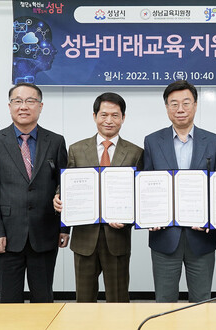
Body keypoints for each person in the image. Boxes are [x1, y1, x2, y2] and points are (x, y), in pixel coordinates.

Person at [0, 83, 68, 303]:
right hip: (7, 236)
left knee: (43, 300)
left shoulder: (55, 141)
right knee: (9, 302)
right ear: (10, 106)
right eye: (17, 101)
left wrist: (64, 228)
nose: (24, 106)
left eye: (30, 101)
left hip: (45, 233)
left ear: (40, 106)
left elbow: (64, 187)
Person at [53, 92, 143, 302]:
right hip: (84, 238)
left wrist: (128, 219)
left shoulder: (136, 152)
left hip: (118, 238)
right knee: (84, 301)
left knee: (118, 301)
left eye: (115, 115)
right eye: (104, 115)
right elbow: (66, 186)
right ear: (94, 116)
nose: (109, 120)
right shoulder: (76, 149)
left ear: (123, 118)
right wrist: (58, 197)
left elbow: (140, 196)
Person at [143, 80, 216, 302]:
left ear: (195, 105)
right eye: (174, 103)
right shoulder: (152, 141)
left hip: (202, 237)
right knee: (164, 302)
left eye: (186, 103)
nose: (180, 109)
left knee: (201, 302)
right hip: (164, 236)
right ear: (166, 107)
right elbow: (146, 186)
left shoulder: (215, 142)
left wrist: (214, 219)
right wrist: (148, 216)